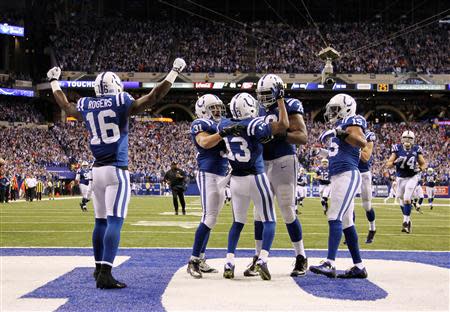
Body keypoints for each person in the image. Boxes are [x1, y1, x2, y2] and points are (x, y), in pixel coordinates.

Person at [47, 57, 186, 289]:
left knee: (100, 221)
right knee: (114, 221)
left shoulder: (87, 104)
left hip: (96, 170)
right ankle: (106, 273)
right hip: (116, 170)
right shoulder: (121, 100)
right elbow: (154, 97)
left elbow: (65, 106)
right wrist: (173, 72)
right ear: (115, 87)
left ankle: (99, 268)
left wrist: (53, 81)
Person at [220, 88, 288, 281]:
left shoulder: (224, 124)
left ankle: (229, 261)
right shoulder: (254, 123)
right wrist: (281, 100)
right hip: (256, 177)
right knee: (269, 220)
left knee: (237, 223)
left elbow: (226, 129)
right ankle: (262, 260)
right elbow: (282, 126)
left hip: (236, 181)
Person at [250, 74, 309, 278]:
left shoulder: (291, 104)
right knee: (258, 213)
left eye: (267, 94)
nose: (263, 98)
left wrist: (278, 134)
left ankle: (301, 256)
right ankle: (258, 257)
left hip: (284, 160)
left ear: (278, 92)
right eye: (260, 94)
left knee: (287, 210)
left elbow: (302, 137)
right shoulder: (256, 109)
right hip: (262, 162)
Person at [309, 93, 369, 279]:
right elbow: (339, 152)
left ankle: (330, 262)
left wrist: (339, 132)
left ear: (347, 108)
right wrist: (322, 153)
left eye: (335, 109)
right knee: (346, 222)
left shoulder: (353, 120)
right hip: (338, 175)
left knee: (334, 215)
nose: (332, 113)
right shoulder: (340, 126)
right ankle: (359, 266)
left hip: (347, 174)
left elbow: (361, 142)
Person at [187, 94, 234, 278]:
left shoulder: (220, 123)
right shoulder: (200, 123)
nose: (217, 111)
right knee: (208, 217)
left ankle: (201, 258)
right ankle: (193, 260)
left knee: (212, 219)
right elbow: (204, 142)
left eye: (218, 107)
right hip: (208, 172)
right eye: (213, 107)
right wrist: (223, 133)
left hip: (221, 173)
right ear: (203, 109)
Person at [386, 130, 427, 233]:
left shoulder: (417, 149)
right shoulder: (397, 148)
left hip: (412, 177)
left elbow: (423, 164)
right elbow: (388, 164)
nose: (407, 141)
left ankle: (405, 222)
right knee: (400, 197)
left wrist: (420, 169)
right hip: (400, 178)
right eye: (406, 138)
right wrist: (395, 162)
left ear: (413, 140)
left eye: (410, 139)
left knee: (407, 198)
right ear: (402, 139)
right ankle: (408, 220)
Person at [357, 130, 377, 243]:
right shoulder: (345, 132)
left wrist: (353, 144)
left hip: (363, 173)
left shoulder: (368, 136)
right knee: (347, 205)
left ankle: (372, 229)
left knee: (367, 205)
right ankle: (349, 232)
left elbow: (365, 157)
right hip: (350, 172)